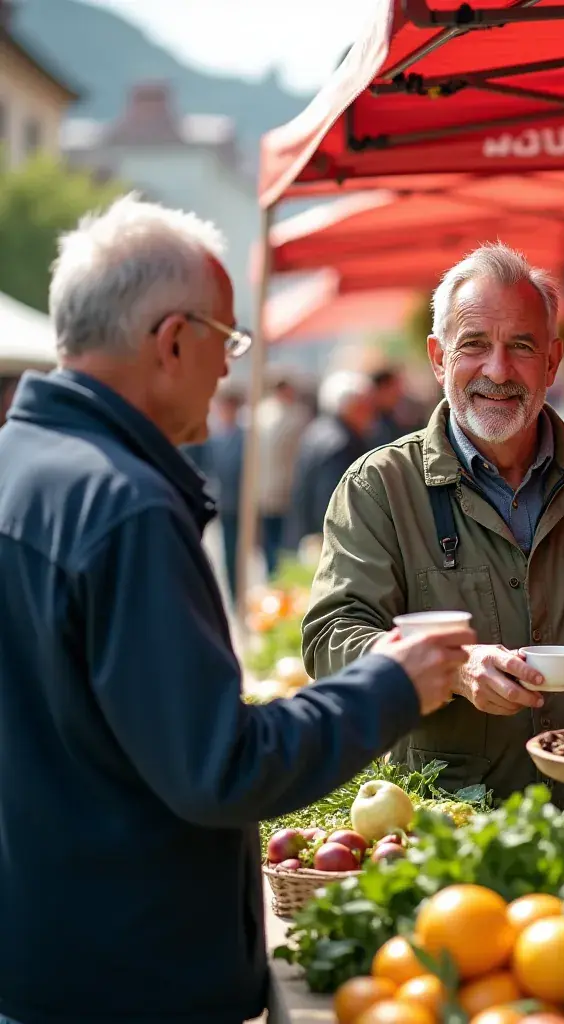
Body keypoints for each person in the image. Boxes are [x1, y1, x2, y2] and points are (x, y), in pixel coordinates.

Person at [0, 195, 475, 1024]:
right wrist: (390, 685)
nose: (228, 369)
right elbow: (222, 767)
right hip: (133, 978)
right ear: (172, 339)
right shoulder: (125, 506)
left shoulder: (18, 464)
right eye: (226, 340)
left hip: (44, 951)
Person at [302, 241, 564, 799]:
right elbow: (330, 640)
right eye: (473, 345)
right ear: (438, 357)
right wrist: (452, 668)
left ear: (553, 361)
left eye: (521, 345)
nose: (498, 369)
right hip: (449, 825)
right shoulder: (380, 487)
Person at [287, 370, 376, 548]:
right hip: (330, 541)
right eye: (366, 405)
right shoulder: (341, 444)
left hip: (310, 534)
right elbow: (333, 504)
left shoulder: (319, 430)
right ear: (352, 407)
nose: (372, 413)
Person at [185, 381, 245, 600]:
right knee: (227, 553)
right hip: (223, 502)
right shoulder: (213, 438)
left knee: (244, 552)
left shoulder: (244, 436)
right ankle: (233, 594)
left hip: (242, 502)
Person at [254, 370, 308, 577]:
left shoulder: (261, 414)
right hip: (283, 488)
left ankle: (275, 576)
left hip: (273, 488)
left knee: (275, 541)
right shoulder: (292, 416)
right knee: (280, 541)